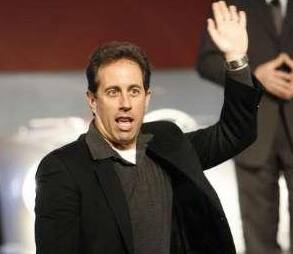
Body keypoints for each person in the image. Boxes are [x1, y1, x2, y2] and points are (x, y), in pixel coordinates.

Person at [35, 2, 262, 254]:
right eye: (113, 92)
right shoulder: (62, 168)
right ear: (92, 100)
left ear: (147, 97)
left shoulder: (168, 141)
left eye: (134, 91)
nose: (125, 103)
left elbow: (235, 132)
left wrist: (236, 60)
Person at [197, 0, 293, 254]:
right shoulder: (232, 4)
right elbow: (206, 62)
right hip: (252, 132)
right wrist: (253, 74)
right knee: (258, 238)